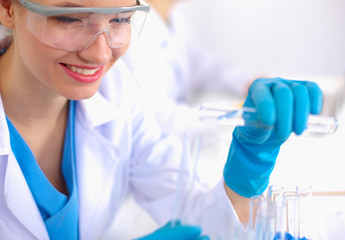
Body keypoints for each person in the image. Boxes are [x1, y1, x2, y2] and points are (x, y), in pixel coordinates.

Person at [0, 0, 323, 240]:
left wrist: (247, 168)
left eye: (121, 20)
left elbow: (195, 215)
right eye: (68, 19)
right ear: (7, 8)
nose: (99, 54)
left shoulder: (117, 92)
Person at [119, 0, 257, 135]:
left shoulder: (171, 17)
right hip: (153, 146)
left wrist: (249, 83)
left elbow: (204, 68)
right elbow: (156, 118)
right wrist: (239, 115)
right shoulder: (133, 26)